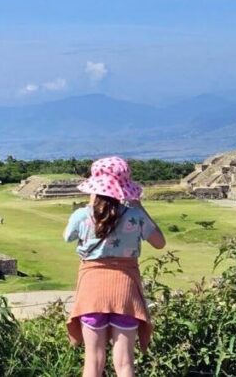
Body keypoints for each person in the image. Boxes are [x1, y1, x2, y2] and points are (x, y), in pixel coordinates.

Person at [63, 156, 166, 377]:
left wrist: (92, 205)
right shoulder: (135, 216)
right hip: (125, 290)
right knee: (125, 363)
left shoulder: (82, 215)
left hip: (92, 290)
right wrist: (139, 207)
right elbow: (160, 242)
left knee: (93, 362)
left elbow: (67, 236)